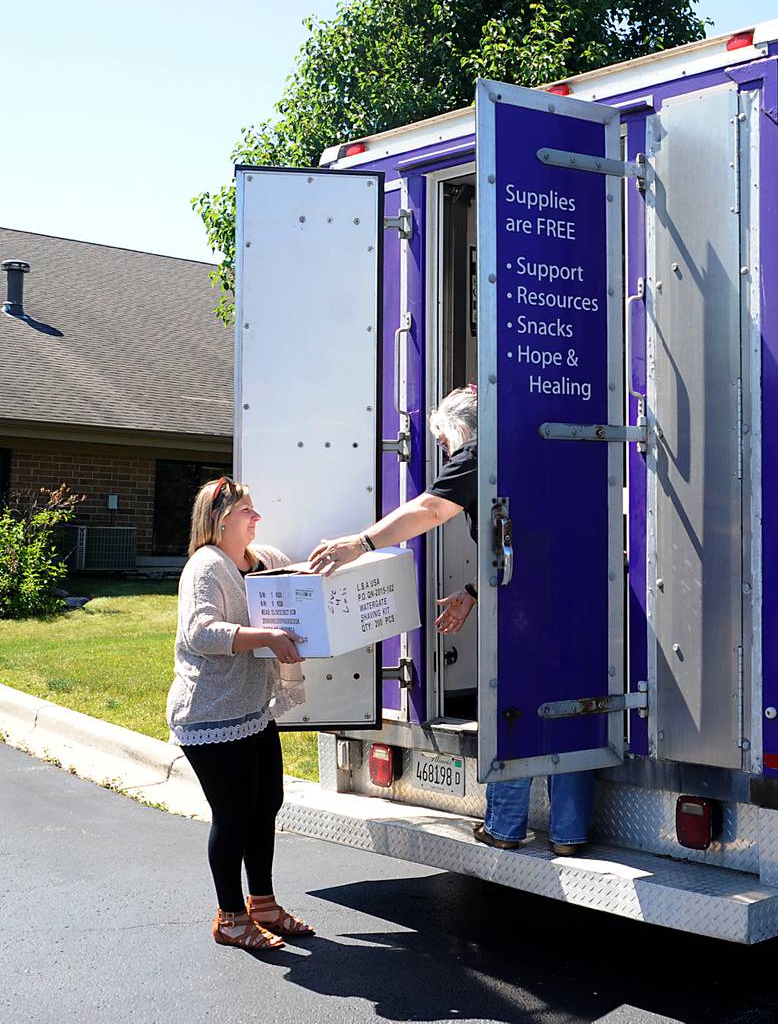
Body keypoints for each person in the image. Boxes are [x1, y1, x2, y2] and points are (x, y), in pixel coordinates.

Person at [307, 385, 594, 856]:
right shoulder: (535, 447)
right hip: (574, 600)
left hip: (523, 611)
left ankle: (504, 826)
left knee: (513, 706)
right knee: (570, 703)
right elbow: (527, 541)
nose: (444, 452)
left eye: (442, 441)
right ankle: (568, 833)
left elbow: (431, 509)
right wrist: (474, 592)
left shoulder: (480, 451)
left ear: (460, 428)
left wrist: (359, 544)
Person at [166, 478, 314, 950]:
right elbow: (201, 633)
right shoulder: (205, 568)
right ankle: (230, 917)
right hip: (210, 714)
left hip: (252, 710)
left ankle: (264, 904)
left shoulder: (261, 560)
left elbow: (298, 586)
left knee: (265, 805)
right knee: (232, 816)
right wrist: (267, 638)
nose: (257, 518)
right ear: (221, 518)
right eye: (248, 510)